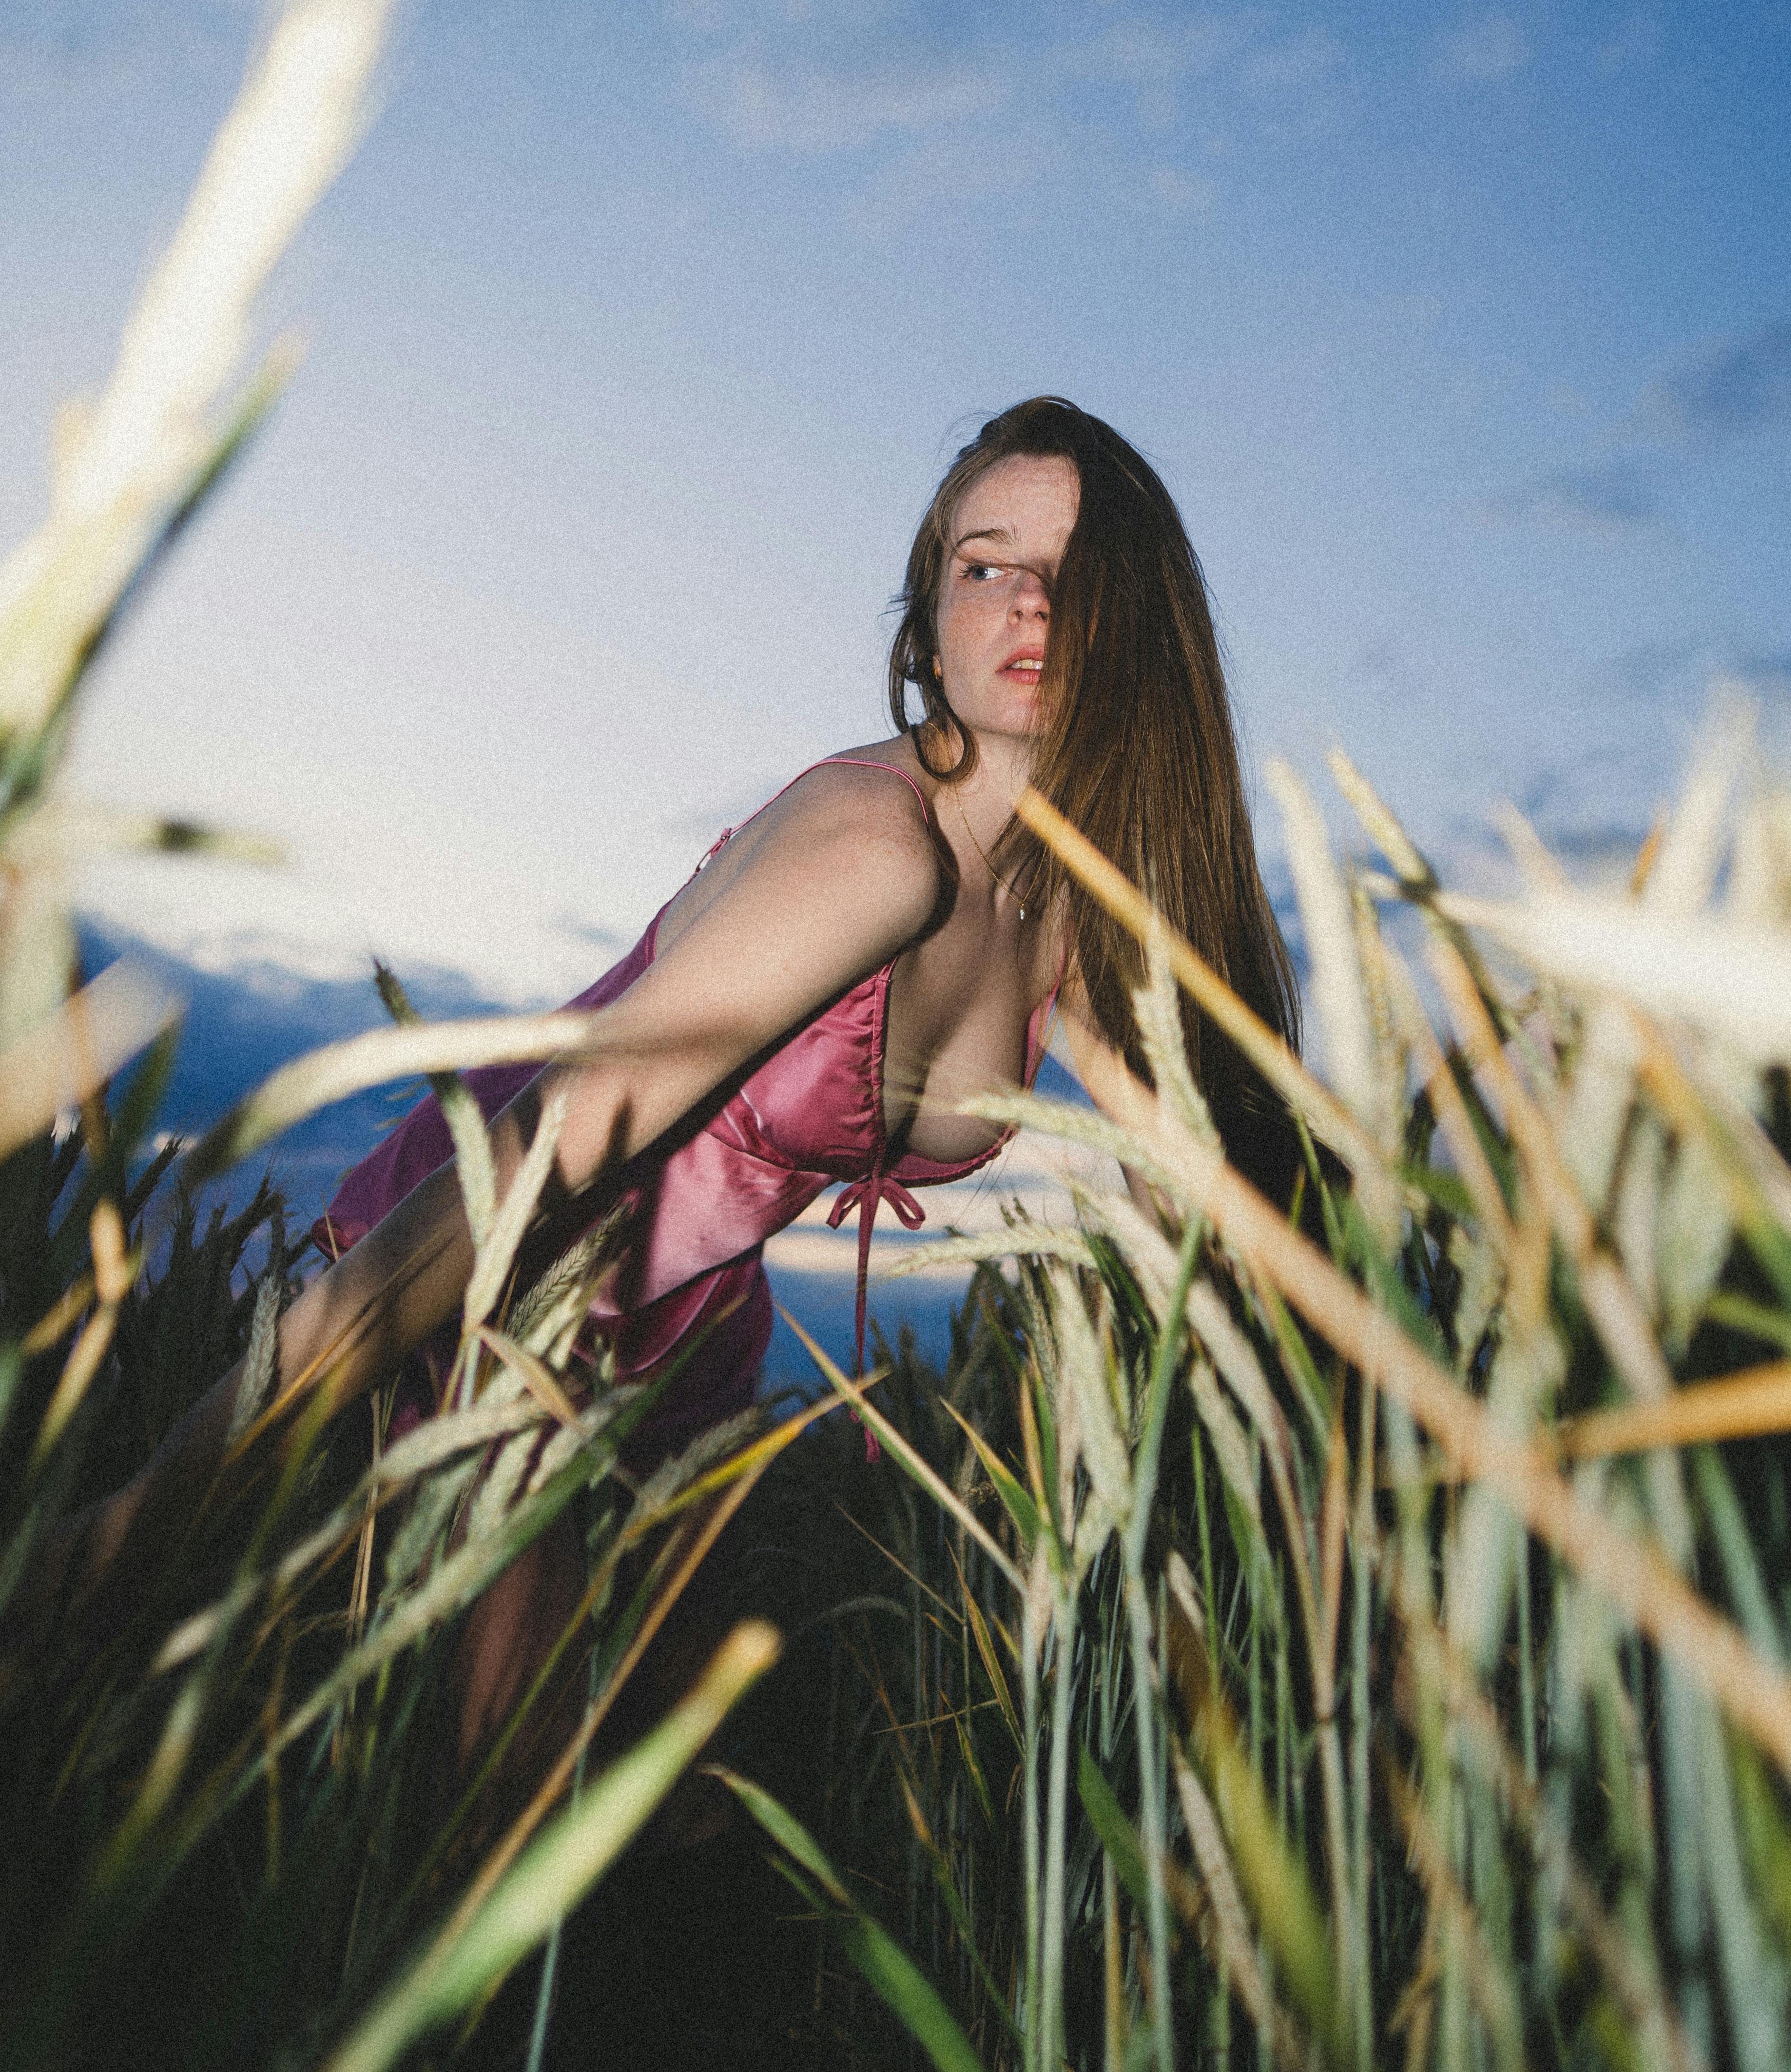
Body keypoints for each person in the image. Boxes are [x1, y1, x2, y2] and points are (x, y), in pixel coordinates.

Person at [62, 399, 1301, 1685]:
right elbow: (532, 1166)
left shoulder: (1073, 913)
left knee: (655, 1806)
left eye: (1076, 571)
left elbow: (1219, 1198)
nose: (1030, 604)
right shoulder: (874, 851)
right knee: (485, 1805)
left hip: (685, 1332)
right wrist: (146, 1515)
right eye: (984, 564)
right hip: (485, 1287)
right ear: (927, 615)